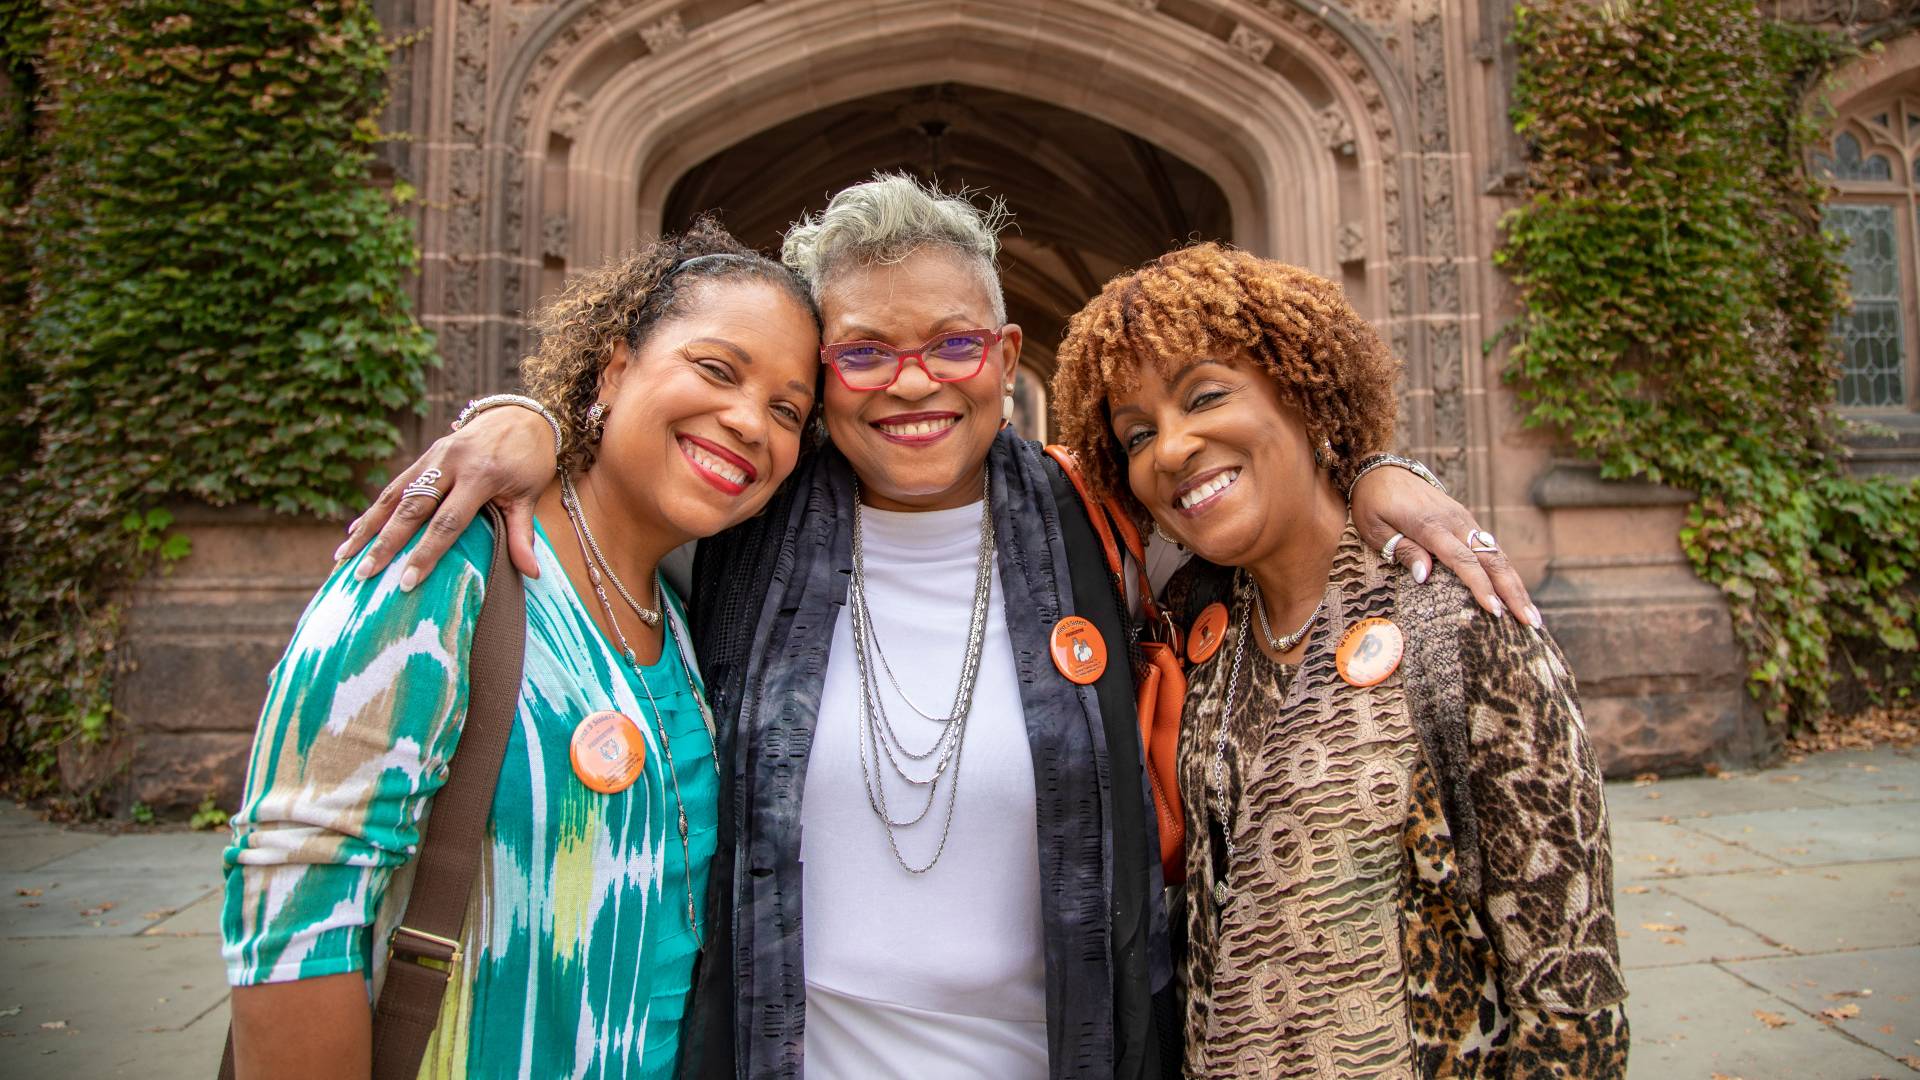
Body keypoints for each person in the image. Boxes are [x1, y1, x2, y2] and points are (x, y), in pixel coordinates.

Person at [338, 175, 1538, 1079]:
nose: (914, 382)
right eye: (862, 353)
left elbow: (1247, 485)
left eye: (954, 345)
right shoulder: (743, 519)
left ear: (1007, 355)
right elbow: (644, 450)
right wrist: (528, 419)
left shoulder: (1098, 510)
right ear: (823, 376)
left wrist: (1375, 468)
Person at [220, 220, 821, 1079]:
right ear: (615, 369)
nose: (748, 421)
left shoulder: (688, 619)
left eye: (787, 410)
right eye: (718, 369)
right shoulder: (446, 563)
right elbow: (292, 906)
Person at [1050, 243, 1629, 1078]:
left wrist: (1377, 468)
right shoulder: (1187, 623)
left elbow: (1571, 994)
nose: (1171, 448)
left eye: (1205, 395)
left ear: (1304, 390)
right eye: (1138, 434)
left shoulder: (1458, 618)